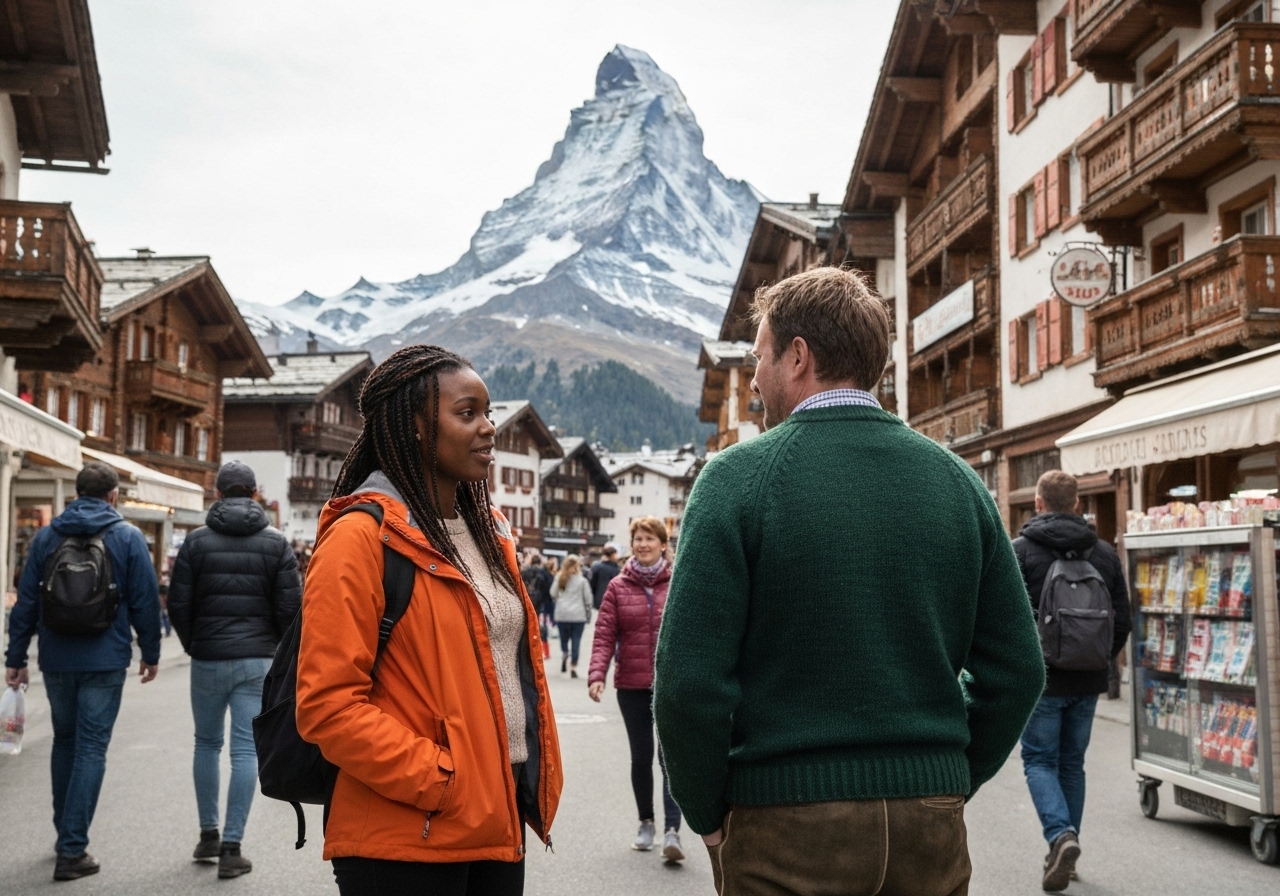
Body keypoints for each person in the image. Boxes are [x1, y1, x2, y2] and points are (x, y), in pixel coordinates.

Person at [653, 267, 1045, 896]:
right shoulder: (959, 482)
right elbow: (1019, 669)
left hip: (784, 825)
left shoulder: (736, 480)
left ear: (798, 357)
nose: (753, 378)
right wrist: (944, 775)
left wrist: (707, 813)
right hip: (929, 829)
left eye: (760, 356)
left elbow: (688, 683)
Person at [293, 344, 562, 896]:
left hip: (495, 816)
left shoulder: (490, 534)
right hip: (406, 831)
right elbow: (327, 706)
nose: (489, 429)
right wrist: (443, 780)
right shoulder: (360, 537)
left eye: (487, 413)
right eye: (468, 414)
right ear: (415, 426)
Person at [4, 461, 161, 881]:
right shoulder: (126, 537)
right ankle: (72, 849)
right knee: (91, 747)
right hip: (105, 658)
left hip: (56, 656)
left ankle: (65, 835)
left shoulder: (47, 536)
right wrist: (150, 651)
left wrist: (15, 658)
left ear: (76, 492)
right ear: (113, 495)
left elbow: (25, 602)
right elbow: (145, 599)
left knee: (65, 743)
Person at [168, 460, 302, 878]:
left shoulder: (195, 543)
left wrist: (195, 644)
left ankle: (207, 834)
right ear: (255, 494)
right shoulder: (276, 543)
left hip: (208, 656)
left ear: (217, 493)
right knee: (245, 749)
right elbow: (291, 608)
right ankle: (231, 847)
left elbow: (178, 603)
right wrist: (277, 651)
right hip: (257, 657)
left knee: (206, 744)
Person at [1013, 470, 1131, 892]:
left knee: (1039, 760)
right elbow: (1123, 620)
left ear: (1038, 504)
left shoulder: (1022, 551)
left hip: (1043, 679)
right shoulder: (1102, 553)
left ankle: (1060, 835)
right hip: (1088, 680)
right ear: (1078, 504)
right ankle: (1067, 846)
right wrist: (1098, 659)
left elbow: (1007, 620)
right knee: (1070, 763)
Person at [588, 517, 684, 862]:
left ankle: (673, 831)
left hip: (670, 687)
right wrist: (597, 674)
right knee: (642, 757)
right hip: (631, 686)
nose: (643, 544)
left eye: (649, 538)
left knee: (669, 760)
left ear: (662, 543)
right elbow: (604, 636)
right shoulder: (617, 586)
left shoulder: (679, 582)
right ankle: (646, 823)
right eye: (638, 539)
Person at [549, 555, 591, 676]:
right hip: (578, 615)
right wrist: (588, 614)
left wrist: (560, 600)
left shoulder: (559, 578)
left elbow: (552, 593)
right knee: (576, 640)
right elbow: (588, 600)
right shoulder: (582, 581)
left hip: (562, 614)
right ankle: (573, 666)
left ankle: (564, 653)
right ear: (577, 566)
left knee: (564, 638)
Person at [521, 555, 553, 660]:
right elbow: (548, 587)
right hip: (540, 601)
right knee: (539, 624)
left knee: (528, 622)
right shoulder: (543, 572)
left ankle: (528, 647)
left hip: (528, 599)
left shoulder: (526, 571)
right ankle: (543, 649)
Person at [587, 543, 621, 610]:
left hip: (598, 600)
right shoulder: (617, 569)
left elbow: (591, 584)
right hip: (613, 600)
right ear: (612, 555)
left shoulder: (596, 567)